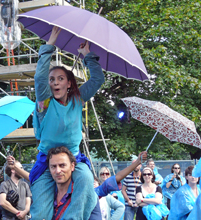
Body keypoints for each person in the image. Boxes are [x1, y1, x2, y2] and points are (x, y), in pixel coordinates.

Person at [27, 25, 105, 219]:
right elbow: (39, 78)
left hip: (73, 159)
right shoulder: (45, 102)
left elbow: (97, 79)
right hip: (48, 162)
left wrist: (87, 54)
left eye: (60, 79)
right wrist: (49, 45)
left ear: (68, 83)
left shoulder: (77, 99)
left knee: (87, 179)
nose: (55, 83)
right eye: (52, 79)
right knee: (40, 213)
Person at [8, 149, 147, 219]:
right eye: (53, 166)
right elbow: (32, 179)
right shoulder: (47, 194)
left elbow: (114, 179)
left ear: (73, 166)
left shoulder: (85, 193)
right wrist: (15, 168)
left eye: (62, 165)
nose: (58, 171)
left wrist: (137, 162)